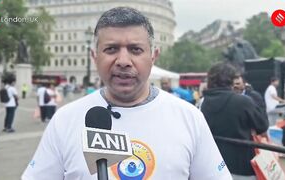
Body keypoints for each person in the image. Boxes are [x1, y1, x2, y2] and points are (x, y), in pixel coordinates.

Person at [22, 7, 231, 180]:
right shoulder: (64, 120)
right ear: (94, 57)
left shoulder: (189, 118)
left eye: (135, 49)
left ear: (153, 56)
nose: (123, 60)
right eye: (111, 49)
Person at [201, 62, 268, 179]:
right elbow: (262, 126)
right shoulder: (243, 101)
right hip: (242, 166)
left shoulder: (203, 102)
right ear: (231, 80)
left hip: (214, 164)